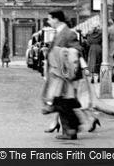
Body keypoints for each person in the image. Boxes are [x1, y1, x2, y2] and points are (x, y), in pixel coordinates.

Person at [41, 9, 85, 140]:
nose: (48, 21)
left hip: (64, 75)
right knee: (62, 101)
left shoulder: (68, 33)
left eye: (49, 19)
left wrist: (60, 52)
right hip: (58, 74)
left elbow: (77, 50)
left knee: (62, 101)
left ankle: (72, 128)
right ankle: (70, 129)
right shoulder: (59, 32)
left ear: (56, 19)